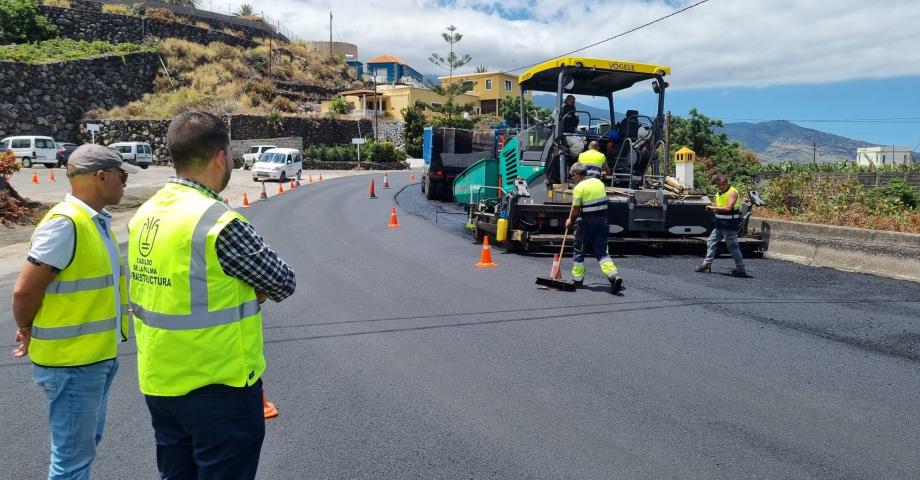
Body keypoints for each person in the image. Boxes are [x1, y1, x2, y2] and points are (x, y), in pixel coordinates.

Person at [128, 111, 296, 479]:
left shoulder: (145, 214)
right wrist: (255, 290)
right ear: (221, 156)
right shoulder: (218, 222)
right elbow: (282, 281)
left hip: (159, 382)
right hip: (219, 387)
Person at [11, 144, 135, 479]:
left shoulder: (95, 222)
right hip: (72, 364)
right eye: (122, 176)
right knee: (72, 461)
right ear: (101, 176)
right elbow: (24, 289)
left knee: (81, 450)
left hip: (93, 358)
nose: (125, 183)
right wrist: (25, 326)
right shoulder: (65, 224)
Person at [565, 162, 622, 293]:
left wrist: (570, 221)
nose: (572, 178)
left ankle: (578, 279)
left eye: (572, 176)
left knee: (579, 248)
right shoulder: (598, 182)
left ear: (576, 174)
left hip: (587, 222)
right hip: (603, 221)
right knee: (602, 252)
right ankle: (613, 276)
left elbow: (575, 209)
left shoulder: (579, 188)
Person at [695, 173, 748, 277]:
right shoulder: (719, 193)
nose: (719, 187)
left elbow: (728, 208)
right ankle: (707, 265)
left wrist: (713, 208)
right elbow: (720, 206)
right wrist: (713, 206)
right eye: (718, 185)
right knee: (711, 242)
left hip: (729, 226)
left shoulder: (732, 192)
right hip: (720, 225)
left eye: (721, 185)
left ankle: (741, 269)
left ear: (726, 182)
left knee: (733, 247)